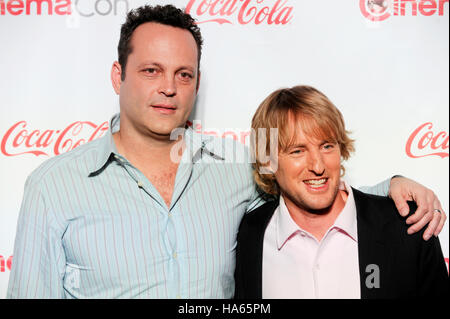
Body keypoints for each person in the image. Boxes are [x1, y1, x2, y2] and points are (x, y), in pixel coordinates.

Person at [7, 5, 446, 299]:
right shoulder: (54, 186)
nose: (168, 87)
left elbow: (310, 185)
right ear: (118, 75)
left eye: (184, 74)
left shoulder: (235, 167)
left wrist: (392, 186)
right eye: (151, 70)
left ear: (197, 82)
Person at [234, 85, 449, 299]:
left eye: (327, 146)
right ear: (267, 161)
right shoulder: (250, 236)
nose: (318, 166)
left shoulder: (409, 227)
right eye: (298, 151)